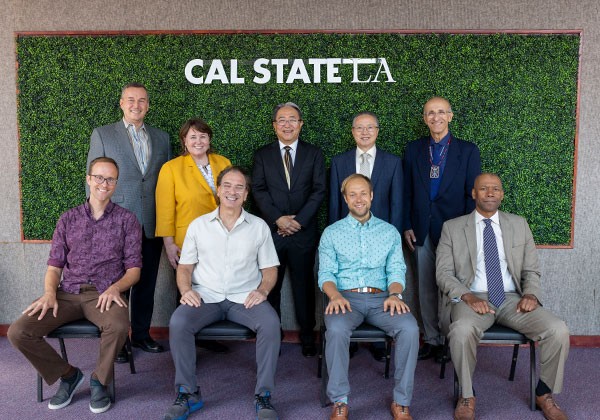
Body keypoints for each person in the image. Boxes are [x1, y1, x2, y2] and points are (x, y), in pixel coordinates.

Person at [8, 157, 142, 414]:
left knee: (118, 326)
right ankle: (68, 376)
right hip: (66, 293)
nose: (104, 183)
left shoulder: (127, 220)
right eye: (99, 177)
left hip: (104, 293)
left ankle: (99, 381)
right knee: (18, 331)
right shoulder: (68, 219)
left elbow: (134, 270)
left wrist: (116, 288)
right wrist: (49, 293)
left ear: (116, 184)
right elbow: (55, 266)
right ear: (89, 179)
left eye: (110, 179)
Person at [436, 173, 570, 420]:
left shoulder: (519, 224)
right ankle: (466, 394)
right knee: (462, 330)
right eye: (483, 188)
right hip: (472, 298)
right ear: (473, 193)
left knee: (558, 329)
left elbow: (531, 270)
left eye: (495, 188)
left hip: (511, 299)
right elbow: (443, 274)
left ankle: (544, 392)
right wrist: (467, 296)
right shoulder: (452, 228)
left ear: (502, 194)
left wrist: (530, 293)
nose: (490, 193)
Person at [163, 166, 281, 420]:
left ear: (246, 194)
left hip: (245, 298)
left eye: (239, 187)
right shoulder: (198, 226)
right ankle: (188, 393)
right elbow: (185, 267)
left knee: (271, 324)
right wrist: (186, 290)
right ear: (218, 190)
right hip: (206, 296)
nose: (232, 191)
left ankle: (264, 396)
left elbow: (270, 268)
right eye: (227, 185)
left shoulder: (259, 227)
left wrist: (263, 290)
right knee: (179, 321)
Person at [319, 174, 419, 420]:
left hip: (383, 299)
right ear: (345, 199)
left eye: (363, 193)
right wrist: (334, 297)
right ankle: (340, 401)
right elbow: (326, 273)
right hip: (345, 299)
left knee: (410, 328)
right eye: (352, 194)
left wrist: (396, 294)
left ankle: (401, 401)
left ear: (372, 195)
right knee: (336, 331)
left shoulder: (389, 231)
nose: (358, 199)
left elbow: (396, 269)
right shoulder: (332, 233)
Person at [87, 82, 172, 357]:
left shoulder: (162, 137)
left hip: (152, 221)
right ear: (122, 103)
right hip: (116, 223)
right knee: (118, 284)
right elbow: (95, 179)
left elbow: (166, 181)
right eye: (131, 100)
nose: (137, 105)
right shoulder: (102, 134)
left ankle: (142, 335)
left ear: (148, 105)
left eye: (142, 101)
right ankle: (120, 339)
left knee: (146, 282)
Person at [402, 96, 481, 362]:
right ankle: (432, 340)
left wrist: (467, 231)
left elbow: (473, 194)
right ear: (424, 119)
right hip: (421, 228)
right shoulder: (413, 149)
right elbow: (406, 192)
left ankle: (450, 339)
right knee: (424, 287)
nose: (435, 117)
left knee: (451, 288)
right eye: (430, 113)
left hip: (454, 231)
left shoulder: (468, 150)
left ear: (450, 116)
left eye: (441, 112)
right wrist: (407, 225)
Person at [252, 102, 326, 357]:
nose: (287, 124)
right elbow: (259, 191)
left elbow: (319, 191)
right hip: (272, 233)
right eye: (281, 120)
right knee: (270, 286)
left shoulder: (314, 154)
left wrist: (298, 221)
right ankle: (273, 336)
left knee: (303, 286)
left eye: (292, 119)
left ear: (300, 124)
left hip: (303, 233)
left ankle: (307, 337)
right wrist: (278, 220)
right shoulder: (262, 155)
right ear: (274, 126)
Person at [328, 111, 403, 362]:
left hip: (381, 238)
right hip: (348, 233)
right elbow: (335, 204)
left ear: (377, 131)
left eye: (370, 127)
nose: (365, 132)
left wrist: (393, 236)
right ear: (352, 132)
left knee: (380, 289)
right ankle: (347, 340)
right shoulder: (339, 161)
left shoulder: (392, 162)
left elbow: (397, 202)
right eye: (359, 128)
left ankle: (378, 342)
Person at [155, 118, 231, 353]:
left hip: (222, 238)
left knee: (213, 286)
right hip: (187, 241)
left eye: (203, 136)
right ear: (184, 142)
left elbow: (234, 196)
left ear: (209, 140)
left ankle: (207, 336)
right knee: (187, 289)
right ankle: (184, 339)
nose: (198, 141)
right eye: (193, 137)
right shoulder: (171, 168)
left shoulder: (223, 162)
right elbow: (165, 208)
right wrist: (168, 243)